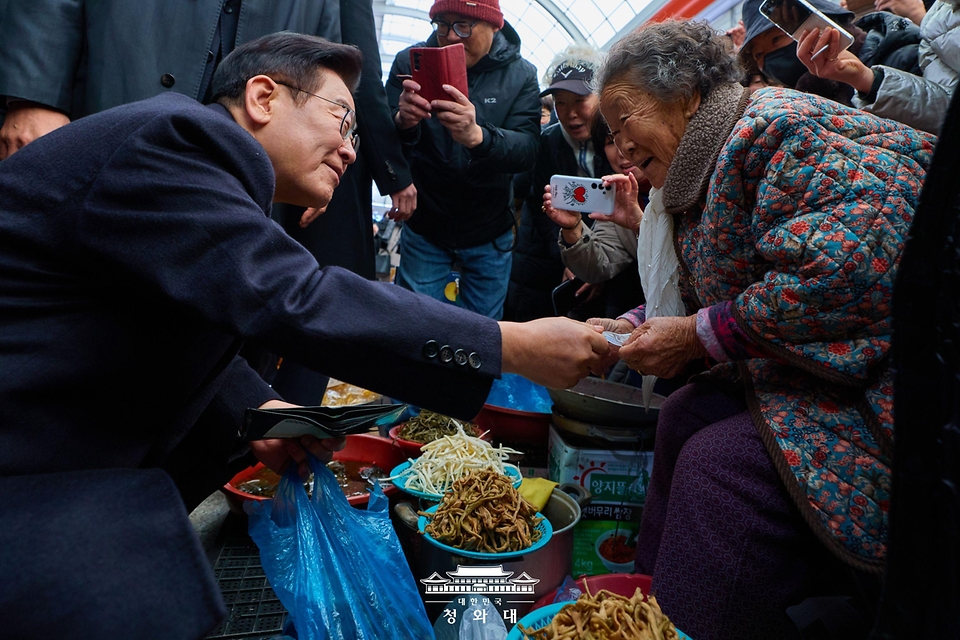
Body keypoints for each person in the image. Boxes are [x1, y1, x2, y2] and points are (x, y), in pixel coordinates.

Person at [0, 33, 608, 639]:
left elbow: (157, 316)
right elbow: (298, 296)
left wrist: (258, 409)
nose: (349, 152)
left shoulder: (198, 171)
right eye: (341, 118)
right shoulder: (181, 140)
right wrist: (510, 345)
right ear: (263, 97)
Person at [590, 20, 934, 639]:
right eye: (610, 135)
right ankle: (635, 619)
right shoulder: (702, 166)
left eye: (624, 122)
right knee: (684, 414)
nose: (618, 149)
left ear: (688, 96)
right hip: (808, 365)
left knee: (721, 467)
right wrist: (635, 325)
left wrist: (698, 336)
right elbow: (715, 288)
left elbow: (848, 268)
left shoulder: (777, 130)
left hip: (893, 380)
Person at [0, 0, 417, 403]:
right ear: (262, 97)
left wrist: (320, 153)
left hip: (269, 127)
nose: (349, 151)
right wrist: (33, 93)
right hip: (129, 70)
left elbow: (326, 55)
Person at [386, 0, 541, 320]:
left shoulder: (522, 74)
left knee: (482, 332)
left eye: (465, 25)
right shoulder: (409, 62)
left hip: (490, 230)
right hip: (426, 225)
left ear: (495, 26)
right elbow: (382, 136)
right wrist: (403, 121)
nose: (452, 37)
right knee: (417, 323)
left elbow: (527, 151)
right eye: (443, 24)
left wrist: (478, 137)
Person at [506, 46, 612, 321]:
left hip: (607, 264)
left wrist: (594, 265)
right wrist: (570, 259)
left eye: (580, 100)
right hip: (541, 265)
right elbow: (540, 210)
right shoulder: (544, 145)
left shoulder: (618, 142)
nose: (570, 113)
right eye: (560, 102)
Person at [795, 0, 959, 133]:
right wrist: (866, 79)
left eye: (777, 40)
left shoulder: (922, 32)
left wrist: (916, 13)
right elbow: (945, 110)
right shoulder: (934, 25)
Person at [545, 120, 647, 320]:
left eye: (633, 135)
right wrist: (573, 228)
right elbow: (597, 266)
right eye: (611, 141)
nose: (622, 150)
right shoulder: (615, 196)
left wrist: (641, 226)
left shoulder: (680, 187)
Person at [739, 0, 922, 105]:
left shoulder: (898, 55)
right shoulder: (791, 108)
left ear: (823, 22)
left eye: (776, 39)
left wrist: (868, 82)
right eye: (758, 55)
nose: (770, 57)